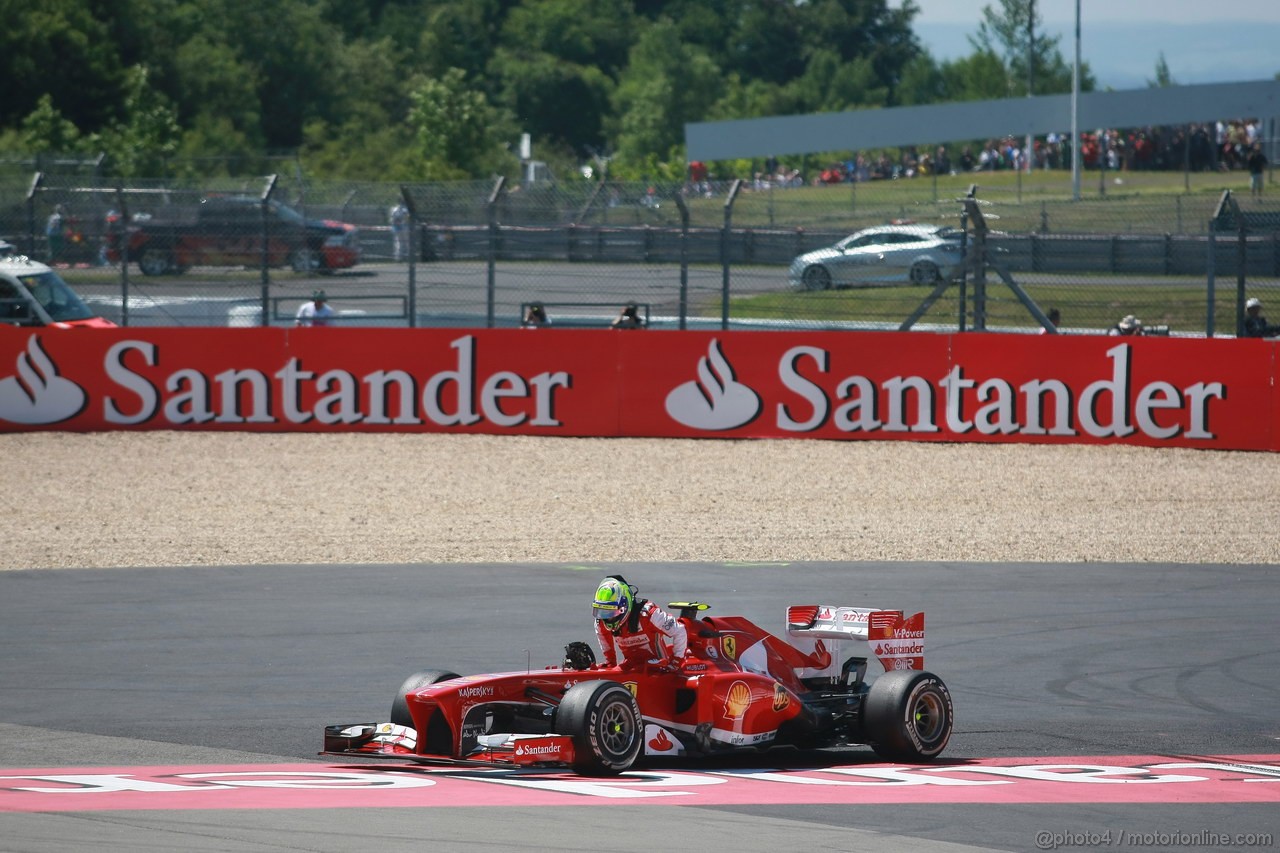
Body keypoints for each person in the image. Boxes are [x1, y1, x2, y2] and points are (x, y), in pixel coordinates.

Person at [592, 575, 687, 670]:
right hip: (630, 666)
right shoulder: (601, 622)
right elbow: (604, 640)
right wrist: (610, 662)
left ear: (624, 606)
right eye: (602, 611)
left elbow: (679, 631)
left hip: (658, 669)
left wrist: (676, 662)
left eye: (610, 612)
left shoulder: (649, 614)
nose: (607, 617)